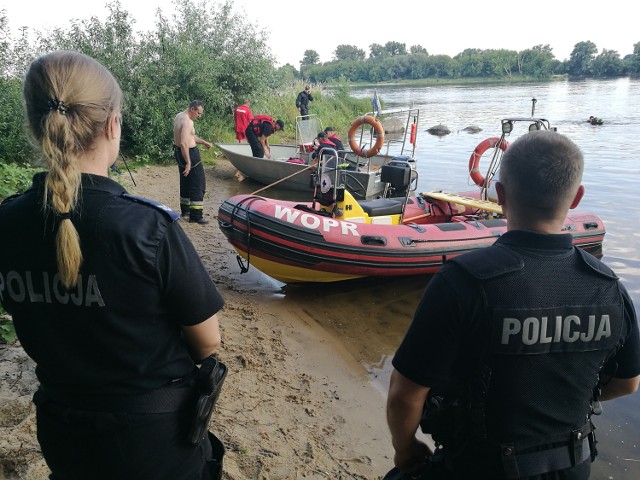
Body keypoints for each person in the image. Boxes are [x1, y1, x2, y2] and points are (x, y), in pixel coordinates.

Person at [0, 51, 225, 480]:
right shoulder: (147, 227)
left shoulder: (7, 222)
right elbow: (206, 343)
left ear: (35, 126)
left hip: (63, 431)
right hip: (152, 439)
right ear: (112, 125)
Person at [386, 131, 640, 480]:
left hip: (477, 467)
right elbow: (627, 384)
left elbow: (405, 392)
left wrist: (406, 449)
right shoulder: (609, 287)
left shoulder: (462, 280)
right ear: (577, 198)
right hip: (572, 466)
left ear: (500, 195)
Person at [173, 100, 212, 224]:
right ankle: (196, 215)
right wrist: (188, 163)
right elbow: (185, 143)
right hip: (189, 154)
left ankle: (185, 211)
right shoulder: (188, 121)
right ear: (192, 109)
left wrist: (204, 142)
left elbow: (189, 137)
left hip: (179, 152)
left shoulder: (179, 116)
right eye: (198, 113)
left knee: (185, 181)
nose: (199, 116)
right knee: (198, 183)